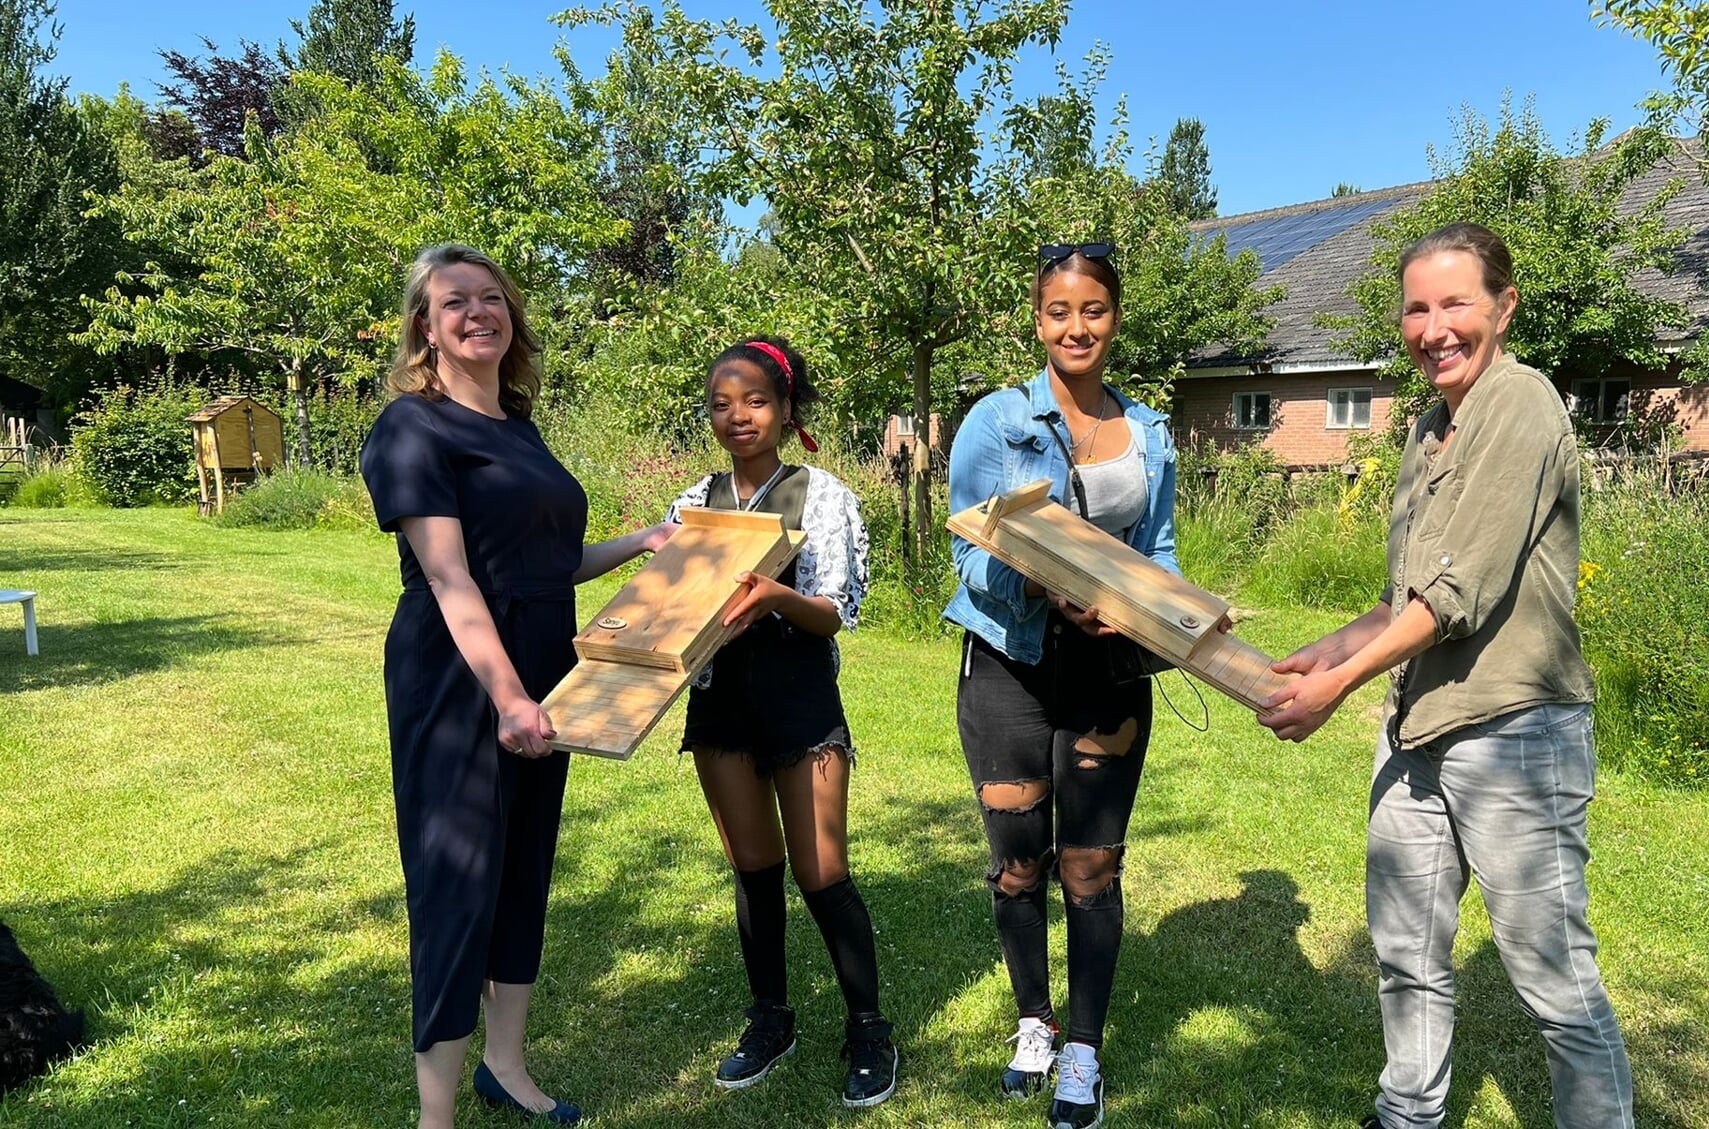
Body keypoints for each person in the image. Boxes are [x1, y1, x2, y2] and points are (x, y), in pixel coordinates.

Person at [1256, 222, 1635, 1129]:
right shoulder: (1429, 426)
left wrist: (1334, 691)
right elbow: (1408, 593)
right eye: (1417, 307)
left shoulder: (1522, 405)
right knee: (1405, 949)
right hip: (1417, 729)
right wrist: (1331, 648)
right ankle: (1407, 1111)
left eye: (1455, 303)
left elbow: (1458, 595)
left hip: (1513, 734)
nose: (1434, 327)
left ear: (1502, 306)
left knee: (1551, 970)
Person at [360, 244, 675, 1129]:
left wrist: (640, 542)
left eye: (491, 298)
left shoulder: (520, 426)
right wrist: (505, 697)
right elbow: (454, 578)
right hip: (460, 678)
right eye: (454, 302)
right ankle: (436, 1115)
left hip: (545, 671)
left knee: (524, 863)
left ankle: (505, 1065)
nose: (476, 313)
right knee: (456, 876)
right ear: (425, 325)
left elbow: (548, 562)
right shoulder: (410, 428)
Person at [944, 242, 1178, 1129]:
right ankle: (1031, 1021)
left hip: (1105, 671)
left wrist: (1149, 613)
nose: (1076, 326)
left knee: (1090, 860)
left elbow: (1155, 552)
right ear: (1036, 319)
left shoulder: (1148, 431)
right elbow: (971, 551)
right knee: (1017, 863)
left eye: (1094, 309)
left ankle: (1082, 1044)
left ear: (1115, 316)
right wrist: (1043, 585)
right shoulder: (995, 421)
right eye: (1058, 311)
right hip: (1009, 656)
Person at [661, 335, 899, 1109]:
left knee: (822, 873)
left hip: (800, 702)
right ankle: (771, 1019)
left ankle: (868, 1028)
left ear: (786, 407)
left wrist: (772, 596)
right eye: (721, 404)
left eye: (755, 401)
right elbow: (671, 604)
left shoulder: (822, 495)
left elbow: (838, 611)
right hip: (721, 705)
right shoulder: (693, 502)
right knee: (754, 872)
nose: (738, 417)